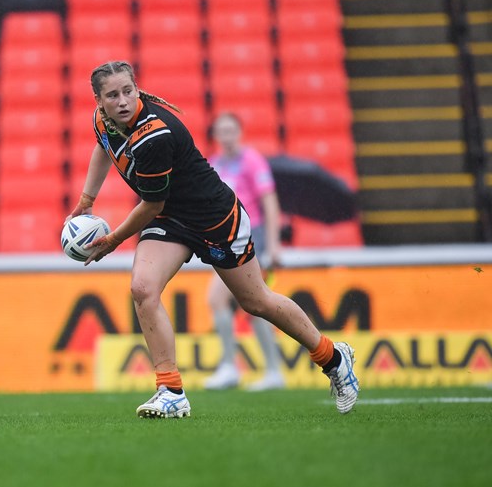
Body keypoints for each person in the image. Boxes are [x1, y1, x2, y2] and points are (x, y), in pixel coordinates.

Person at [68, 61, 358, 418]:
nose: (123, 100)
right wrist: (86, 200)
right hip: (172, 219)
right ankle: (170, 390)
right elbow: (104, 147)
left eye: (128, 91)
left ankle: (332, 356)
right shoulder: (103, 121)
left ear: (137, 88)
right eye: (113, 95)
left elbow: (151, 203)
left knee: (256, 302)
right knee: (143, 289)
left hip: (216, 219)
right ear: (99, 101)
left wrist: (112, 239)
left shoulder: (154, 134)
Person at [202, 113, 285, 392]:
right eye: (221, 131)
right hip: (227, 241)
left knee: (219, 299)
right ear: (216, 135)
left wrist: (273, 245)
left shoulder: (252, 161)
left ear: (240, 132)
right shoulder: (214, 163)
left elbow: (269, 202)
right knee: (254, 306)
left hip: (252, 239)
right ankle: (273, 371)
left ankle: (230, 367)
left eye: (231, 130)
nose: (226, 136)